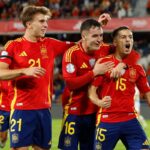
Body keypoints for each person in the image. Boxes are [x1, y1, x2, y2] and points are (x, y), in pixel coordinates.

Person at [0, 5, 76, 150]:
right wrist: (24, 71)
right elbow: (1, 73)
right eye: (41, 21)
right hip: (21, 109)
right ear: (29, 24)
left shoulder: (50, 44)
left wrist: (96, 28)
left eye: (46, 21)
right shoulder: (13, 46)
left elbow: (80, 47)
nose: (46, 25)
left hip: (44, 110)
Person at [58, 18, 141, 149]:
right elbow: (70, 84)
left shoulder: (103, 48)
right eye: (95, 36)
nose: (99, 39)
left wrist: (122, 65)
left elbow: (133, 54)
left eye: (101, 35)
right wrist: (94, 72)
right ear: (83, 36)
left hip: (95, 112)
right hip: (73, 111)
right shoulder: (71, 54)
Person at [88, 26, 150, 150]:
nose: (128, 40)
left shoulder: (137, 68)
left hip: (130, 119)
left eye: (130, 37)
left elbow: (147, 94)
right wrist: (99, 102)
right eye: (123, 37)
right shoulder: (104, 63)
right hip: (107, 119)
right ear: (115, 42)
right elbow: (91, 91)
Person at [0, 81, 11, 148]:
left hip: (16, 109)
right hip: (3, 109)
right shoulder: (2, 76)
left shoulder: (17, 75)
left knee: (16, 136)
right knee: (3, 137)